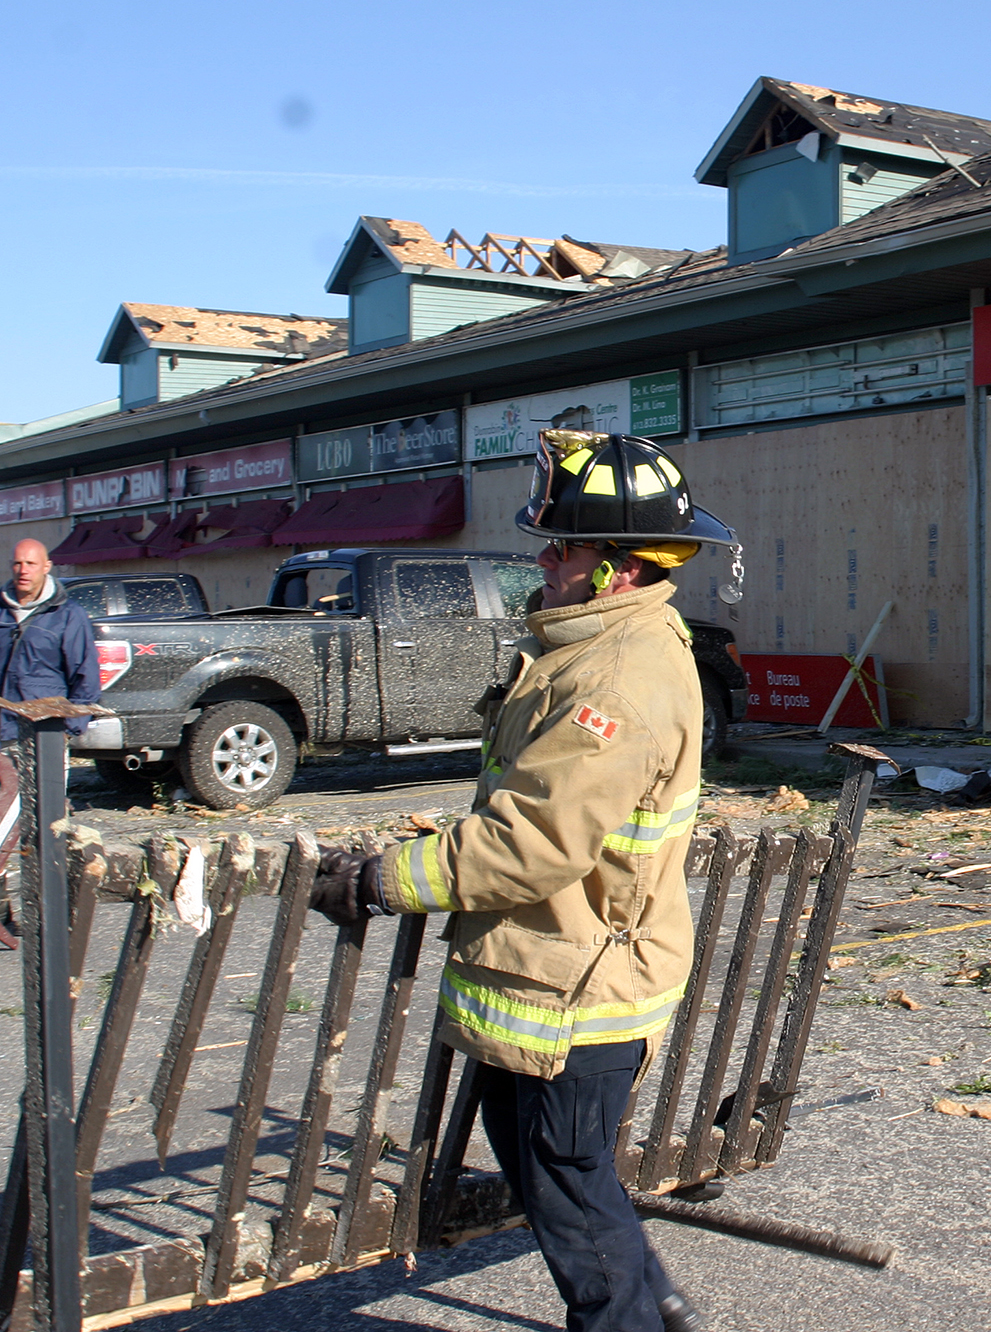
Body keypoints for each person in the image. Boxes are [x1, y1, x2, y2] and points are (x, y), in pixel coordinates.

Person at [311, 431, 736, 1332]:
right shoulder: (605, 646)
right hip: (555, 979)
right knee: (560, 1175)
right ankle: (657, 1301)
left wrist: (387, 879)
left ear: (617, 571)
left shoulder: (613, 682)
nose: (544, 559)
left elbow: (532, 843)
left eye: (565, 546)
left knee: (570, 1191)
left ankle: (628, 1319)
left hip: (578, 992)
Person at [0, 538, 101, 750]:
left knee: (42, 785)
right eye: (17, 563)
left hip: (44, 735)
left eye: (31, 564)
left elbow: (86, 677)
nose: (23, 571)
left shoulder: (68, 615)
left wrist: (69, 728)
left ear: (46, 566)